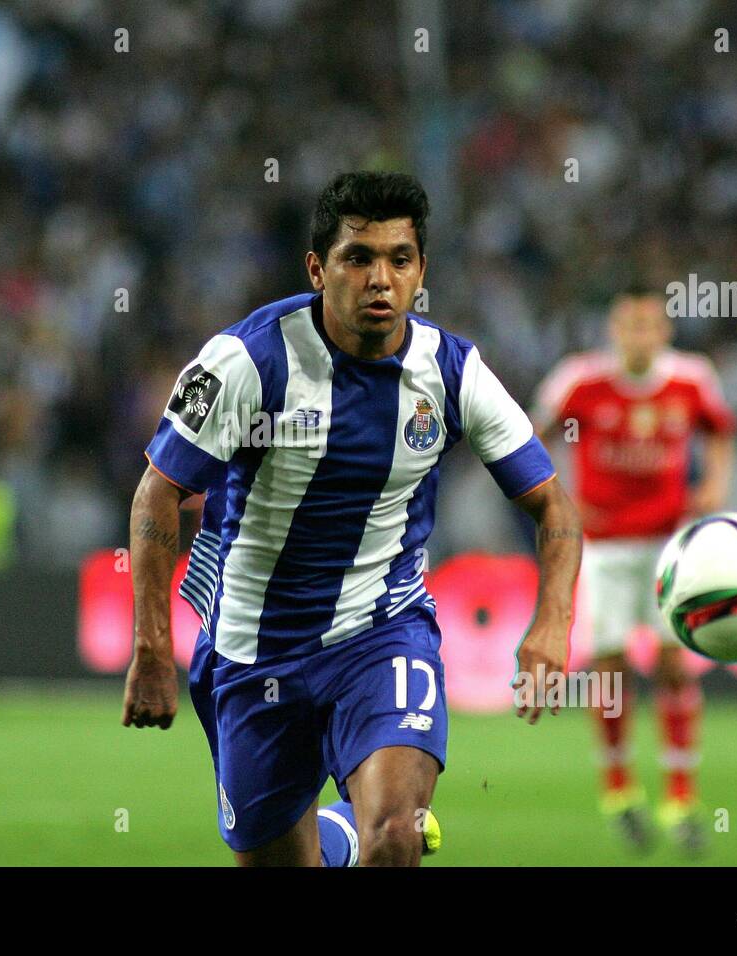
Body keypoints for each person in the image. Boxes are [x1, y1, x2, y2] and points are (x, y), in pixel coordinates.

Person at [122, 171, 582, 866]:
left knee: (396, 835)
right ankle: (338, 834)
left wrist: (552, 623)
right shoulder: (247, 361)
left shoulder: (453, 372)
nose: (380, 280)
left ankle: (383, 819)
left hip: (382, 633)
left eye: (400, 259)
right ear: (318, 268)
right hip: (254, 649)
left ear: (421, 269)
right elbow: (157, 493)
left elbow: (553, 506)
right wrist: (153, 647)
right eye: (358, 258)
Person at [532, 291, 736, 854]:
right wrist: (557, 500)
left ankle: (680, 798)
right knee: (612, 668)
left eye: (648, 325)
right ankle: (619, 789)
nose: (638, 335)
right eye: (628, 324)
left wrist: (714, 483)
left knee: (674, 664)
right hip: (603, 547)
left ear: (664, 329)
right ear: (613, 328)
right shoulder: (579, 381)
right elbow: (526, 439)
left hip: (672, 546)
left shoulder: (692, 379)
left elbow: (720, 430)